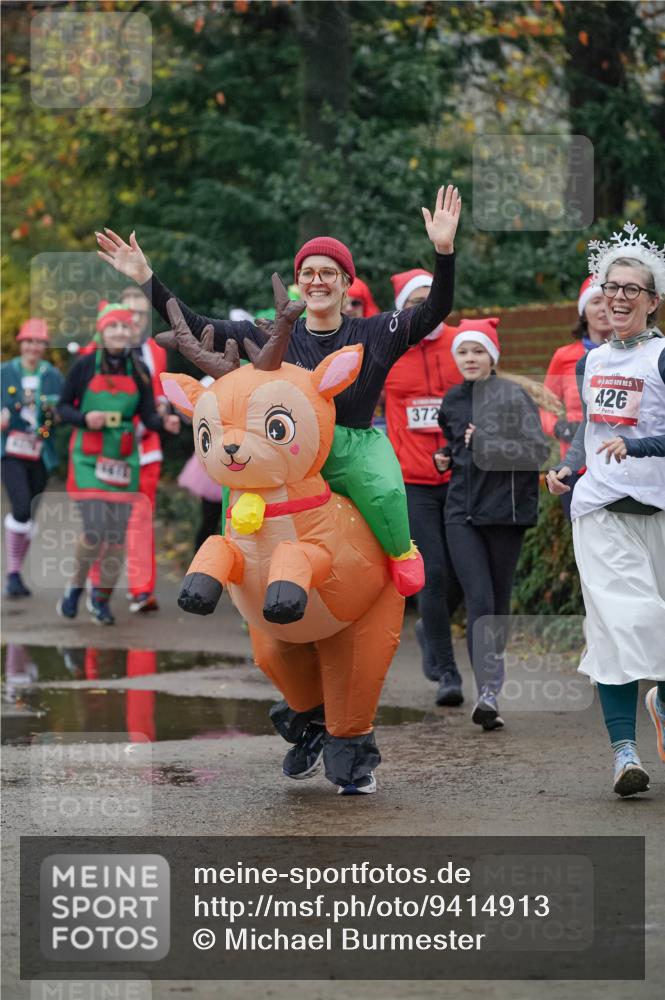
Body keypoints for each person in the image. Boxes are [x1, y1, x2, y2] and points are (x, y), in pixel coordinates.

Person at [94, 184, 462, 598]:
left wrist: (444, 252)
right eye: (307, 273)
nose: (317, 281)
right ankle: (234, 572)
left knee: (386, 490)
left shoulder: (377, 331)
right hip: (289, 452)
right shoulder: (272, 335)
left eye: (328, 273)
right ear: (298, 284)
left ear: (346, 283)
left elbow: (435, 309)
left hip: (351, 448)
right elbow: (196, 326)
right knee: (238, 493)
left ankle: (401, 553)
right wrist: (146, 279)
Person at [546, 223, 665, 797]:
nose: (617, 297)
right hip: (600, 512)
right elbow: (589, 433)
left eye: (631, 289)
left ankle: (660, 702)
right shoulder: (589, 362)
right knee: (621, 623)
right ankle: (624, 754)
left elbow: (634, 438)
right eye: (610, 287)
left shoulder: (661, 357)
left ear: (652, 301)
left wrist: (638, 447)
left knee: (646, 622)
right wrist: (569, 469)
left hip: (657, 510)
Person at [437, 318, 549, 730]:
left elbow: (537, 451)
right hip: (461, 513)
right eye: (463, 351)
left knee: (498, 606)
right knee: (480, 601)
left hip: (505, 513)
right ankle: (486, 693)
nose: (470, 358)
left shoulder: (514, 396)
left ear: (492, 356)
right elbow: (455, 445)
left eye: (478, 351)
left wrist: (485, 442)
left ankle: (491, 689)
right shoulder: (451, 400)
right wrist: (445, 458)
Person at [56, 302, 179, 624]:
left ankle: (101, 599)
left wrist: (164, 423)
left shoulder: (139, 369)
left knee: (116, 538)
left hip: (124, 459)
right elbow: (62, 408)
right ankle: (75, 586)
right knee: (95, 530)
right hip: (88, 458)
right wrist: (84, 418)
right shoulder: (84, 366)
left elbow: (148, 415)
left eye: (125, 326)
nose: (120, 332)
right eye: (113, 326)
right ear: (102, 330)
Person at [384, 268, 464, 705]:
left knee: (461, 575)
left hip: (461, 477)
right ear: (404, 310)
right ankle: (447, 672)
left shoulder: (460, 343)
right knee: (432, 573)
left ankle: (429, 630)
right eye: (416, 302)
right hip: (413, 480)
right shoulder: (390, 347)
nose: (426, 308)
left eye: (432, 299)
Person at [1, 319, 63, 597]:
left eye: (39, 342)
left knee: (29, 513)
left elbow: (64, 408)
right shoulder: (5, 372)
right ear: (21, 343)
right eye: (29, 341)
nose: (33, 347)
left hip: (41, 453)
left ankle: (16, 574)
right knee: (21, 507)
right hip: (9, 451)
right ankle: (13, 574)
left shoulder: (53, 375)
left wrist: (55, 416)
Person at [541, 276, 612, 518]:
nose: (602, 309)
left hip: (616, 461)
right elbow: (545, 405)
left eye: (607, 302)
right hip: (574, 465)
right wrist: (558, 427)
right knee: (582, 534)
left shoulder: (631, 354)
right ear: (583, 311)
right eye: (595, 302)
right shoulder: (564, 356)